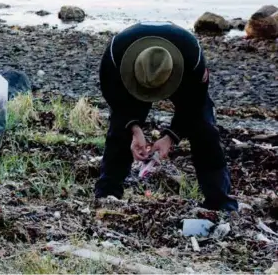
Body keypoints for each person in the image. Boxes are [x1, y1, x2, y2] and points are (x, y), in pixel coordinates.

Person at [94, 21, 238, 211]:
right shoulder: (114, 58)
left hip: (181, 75)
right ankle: (107, 196)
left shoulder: (192, 57)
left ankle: (220, 202)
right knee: (119, 132)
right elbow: (117, 102)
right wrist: (134, 129)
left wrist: (171, 136)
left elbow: (193, 105)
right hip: (132, 78)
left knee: (205, 131)